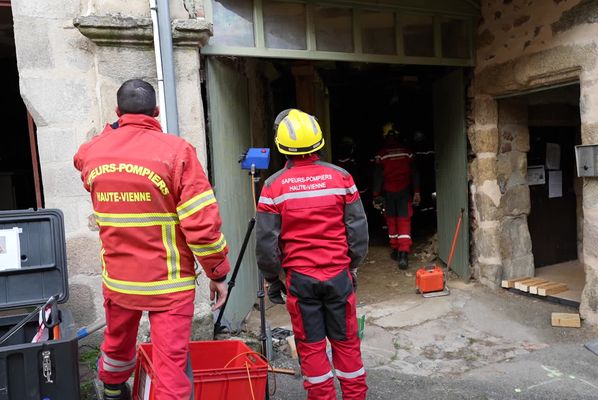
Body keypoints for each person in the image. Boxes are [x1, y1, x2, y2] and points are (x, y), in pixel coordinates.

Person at [74, 79, 230, 400]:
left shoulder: (92, 152)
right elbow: (202, 226)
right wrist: (218, 273)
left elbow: (82, 161)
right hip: (168, 285)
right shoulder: (178, 152)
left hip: (119, 282)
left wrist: (114, 130)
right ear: (156, 111)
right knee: (170, 365)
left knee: (117, 344)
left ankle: (113, 389)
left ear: (117, 112)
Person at [256, 109, 369, 400]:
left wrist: (272, 279)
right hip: (338, 277)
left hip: (301, 281)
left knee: (311, 347)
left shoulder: (273, 187)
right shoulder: (342, 178)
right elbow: (358, 232)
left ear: (281, 146)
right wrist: (352, 266)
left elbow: (267, 245)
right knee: (346, 344)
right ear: (318, 142)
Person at [373, 122, 421, 270]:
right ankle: (404, 253)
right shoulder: (407, 152)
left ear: (385, 136)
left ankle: (395, 249)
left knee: (391, 220)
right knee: (404, 220)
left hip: (388, 192)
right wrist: (417, 191)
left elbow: (378, 175)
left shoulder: (381, 154)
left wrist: (375, 195)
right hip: (404, 191)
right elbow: (414, 172)